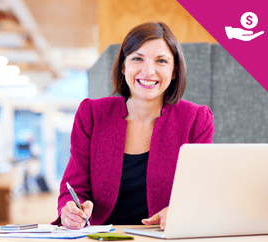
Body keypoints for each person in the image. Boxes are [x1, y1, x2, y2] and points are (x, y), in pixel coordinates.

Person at [52, 22, 214, 230]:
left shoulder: (195, 119)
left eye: (161, 61)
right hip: (102, 240)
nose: (148, 71)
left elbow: (202, 189)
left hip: (165, 239)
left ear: (174, 71)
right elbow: (74, 186)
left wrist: (182, 212)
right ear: (123, 66)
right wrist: (70, 211)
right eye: (137, 58)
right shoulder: (92, 114)